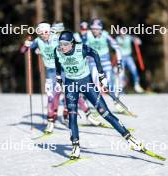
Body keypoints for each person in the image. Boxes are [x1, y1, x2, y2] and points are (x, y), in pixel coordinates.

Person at [54, 31, 143, 159]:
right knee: (72, 116)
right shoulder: (57, 50)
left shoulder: (81, 48)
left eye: (65, 44)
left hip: (86, 83)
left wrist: (101, 75)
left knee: (104, 112)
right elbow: (57, 62)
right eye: (60, 43)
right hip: (70, 85)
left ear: (72, 43)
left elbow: (95, 54)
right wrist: (58, 77)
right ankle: (75, 147)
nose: (62, 46)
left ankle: (130, 139)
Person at [23, 22, 101, 134]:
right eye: (40, 33)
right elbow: (24, 50)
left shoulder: (57, 38)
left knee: (72, 93)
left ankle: (88, 114)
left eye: (46, 32)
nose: (44, 35)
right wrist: (26, 45)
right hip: (50, 73)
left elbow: (72, 45)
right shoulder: (38, 41)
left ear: (49, 31)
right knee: (51, 97)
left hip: (63, 70)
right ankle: (50, 122)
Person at [85, 18, 127, 114]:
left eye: (97, 29)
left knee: (109, 83)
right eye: (93, 28)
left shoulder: (105, 35)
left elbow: (117, 47)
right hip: (93, 62)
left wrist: (119, 62)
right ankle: (97, 105)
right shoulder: (87, 35)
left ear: (101, 29)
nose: (95, 31)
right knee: (95, 83)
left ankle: (116, 102)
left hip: (105, 62)